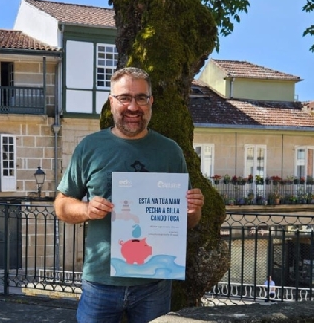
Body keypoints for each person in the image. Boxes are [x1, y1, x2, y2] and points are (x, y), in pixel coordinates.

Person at [54, 67, 205, 323]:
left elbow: (188, 221)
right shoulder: (90, 148)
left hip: (154, 283)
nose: (133, 106)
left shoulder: (170, 152)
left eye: (141, 98)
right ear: (112, 102)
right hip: (100, 281)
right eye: (124, 97)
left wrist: (194, 209)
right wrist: (86, 209)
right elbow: (61, 205)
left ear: (151, 102)